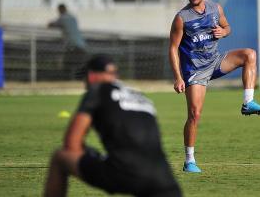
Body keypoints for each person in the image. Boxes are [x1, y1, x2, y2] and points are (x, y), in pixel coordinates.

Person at [169, 0, 260, 173]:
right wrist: (178, 77)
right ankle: (189, 161)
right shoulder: (181, 18)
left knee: (249, 54)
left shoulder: (216, 8)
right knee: (194, 115)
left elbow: (227, 26)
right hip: (195, 71)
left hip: (215, 61)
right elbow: (173, 48)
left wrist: (224, 32)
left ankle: (248, 102)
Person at [44, 55, 182, 197]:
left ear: (91, 76)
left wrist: (92, 154)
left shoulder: (96, 90)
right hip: (164, 178)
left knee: (60, 157)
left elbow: (71, 144)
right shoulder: (140, 96)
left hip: (125, 172)